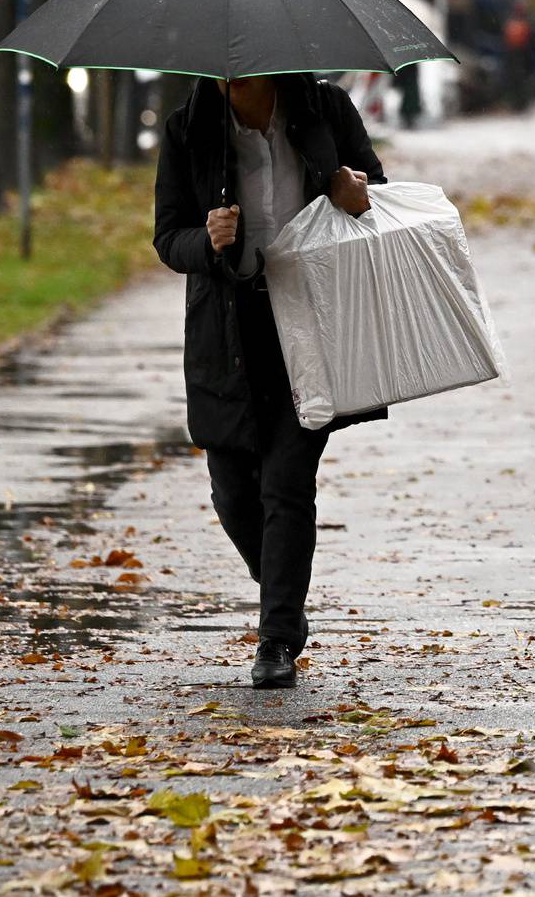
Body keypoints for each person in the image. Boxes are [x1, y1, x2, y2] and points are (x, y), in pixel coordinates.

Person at [152, 73, 386, 689]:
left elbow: (378, 195)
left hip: (310, 320)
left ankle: (277, 637)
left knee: (286, 483)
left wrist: (353, 192)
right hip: (226, 329)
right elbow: (166, 236)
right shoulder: (188, 128)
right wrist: (205, 241)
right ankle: (285, 595)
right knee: (232, 492)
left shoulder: (324, 109)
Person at [502, 2, 534, 112]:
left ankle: (519, 103)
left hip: (518, 55)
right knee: (518, 80)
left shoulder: (515, 23)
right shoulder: (521, 23)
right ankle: (518, 102)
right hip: (517, 55)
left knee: (518, 80)